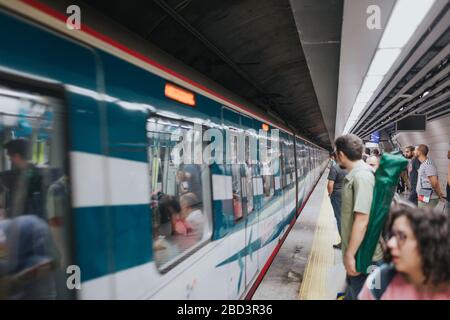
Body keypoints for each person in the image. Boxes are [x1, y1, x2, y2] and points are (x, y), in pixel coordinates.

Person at [358, 206, 450, 300]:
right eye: (392, 235)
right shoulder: (379, 282)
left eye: (402, 237)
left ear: (427, 244)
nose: (390, 244)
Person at [334, 134, 384, 300]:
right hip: (361, 257)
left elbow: (362, 220)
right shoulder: (357, 175)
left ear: (341, 154)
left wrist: (349, 254)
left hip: (366, 259)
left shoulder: (362, 177)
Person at [2, 139, 44, 219]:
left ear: (17, 156)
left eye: (10, 156)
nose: (10, 159)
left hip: (27, 226)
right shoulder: (19, 174)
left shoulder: (34, 177)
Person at [327, 152, 347, 249]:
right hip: (348, 194)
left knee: (339, 219)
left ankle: (343, 243)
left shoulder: (334, 168)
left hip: (337, 195)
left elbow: (330, 184)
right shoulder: (349, 167)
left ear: (335, 157)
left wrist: (330, 194)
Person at [416, 144, 445, 208]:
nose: (414, 152)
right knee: (421, 214)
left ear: (419, 152)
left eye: (415, 150)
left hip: (429, 197)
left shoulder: (428, 164)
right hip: (424, 195)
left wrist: (439, 194)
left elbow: (434, 182)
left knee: (423, 216)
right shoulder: (423, 164)